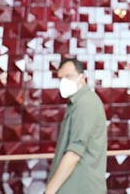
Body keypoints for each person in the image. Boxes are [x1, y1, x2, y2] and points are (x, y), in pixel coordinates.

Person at [45, 58, 108, 194]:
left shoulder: (85, 104)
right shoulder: (77, 103)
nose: (64, 82)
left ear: (82, 77)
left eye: (69, 76)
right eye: (60, 78)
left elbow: (74, 153)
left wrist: (49, 191)